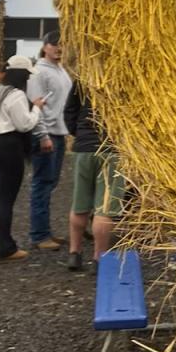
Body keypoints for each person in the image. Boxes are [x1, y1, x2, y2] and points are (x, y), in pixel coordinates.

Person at [0, 54, 46, 261]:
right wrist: (37, 109)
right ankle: (5, 247)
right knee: (7, 200)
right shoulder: (17, 94)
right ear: (21, 75)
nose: (28, 78)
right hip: (10, 145)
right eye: (27, 75)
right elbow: (24, 124)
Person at [62, 81, 126, 271]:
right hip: (111, 149)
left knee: (79, 204)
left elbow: (69, 111)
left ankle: (74, 254)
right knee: (104, 209)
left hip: (84, 148)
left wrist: (80, 133)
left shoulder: (84, 76)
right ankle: (99, 259)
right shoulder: (124, 75)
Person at [27, 30, 73, 250]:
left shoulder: (61, 70)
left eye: (62, 44)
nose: (59, 48)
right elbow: (36, 106)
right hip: (47, 135)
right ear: (45, 46)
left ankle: (45, 231)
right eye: (54, 44)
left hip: (59, 133)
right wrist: (43, 135)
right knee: (42, 183)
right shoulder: (38, 73)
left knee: (50, 183)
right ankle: (39, 235)